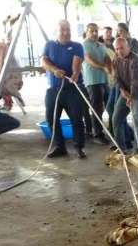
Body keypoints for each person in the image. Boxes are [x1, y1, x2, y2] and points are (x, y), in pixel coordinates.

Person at [41, 20, 87, 159]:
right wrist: (55, 70)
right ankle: (59, 146)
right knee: (51, 118)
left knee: (76, 119)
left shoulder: (77, 46)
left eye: (68, 29)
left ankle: (79, 147)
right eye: (62, 29)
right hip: (54, 89)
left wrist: (74, 74)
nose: (66, 32)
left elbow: (77, 62)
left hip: (72, 89)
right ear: (57, 30)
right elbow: (44, 61)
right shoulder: (49, 45)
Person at [112, 37, 138, 154]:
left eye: (121, 48)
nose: (119, 51)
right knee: (116, 119)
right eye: (117, 49)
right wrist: (122, 91)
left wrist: (131, 97)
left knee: (137, 122)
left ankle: (137, 152)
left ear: (128, 47)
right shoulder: (116, 61)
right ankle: (121, 149)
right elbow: (117, 78)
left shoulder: (136, 60)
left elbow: (136, 82)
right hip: (125, 93)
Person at [81, 23, 112, 145]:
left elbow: (107, 58)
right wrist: (104, 67)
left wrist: (108, 65)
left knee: (110, 106)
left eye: (96, 31)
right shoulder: (84, 44)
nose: (94, 33)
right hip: (92, 81)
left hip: (104, 80)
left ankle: (113, 129)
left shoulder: (101, 45)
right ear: (86, 31)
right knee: (97, 108)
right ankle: (98, 134)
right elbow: (89, 60)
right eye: (91, 31)